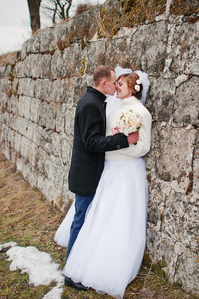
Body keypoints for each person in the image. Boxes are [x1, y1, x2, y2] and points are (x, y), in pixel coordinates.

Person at [55, 67, 152, 298]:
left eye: (121, 84)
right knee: (93, 215)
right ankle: (76, 265)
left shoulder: (140, 112)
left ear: (133, 88)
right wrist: (121, 141)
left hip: (123, 169)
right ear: (106, 83)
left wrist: (122, 147)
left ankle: (96, 263)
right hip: (105, 169)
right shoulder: (105, 105)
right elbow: (96, 140)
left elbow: (143, 147)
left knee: (114, 217)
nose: (116, 86)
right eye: (115, 82)